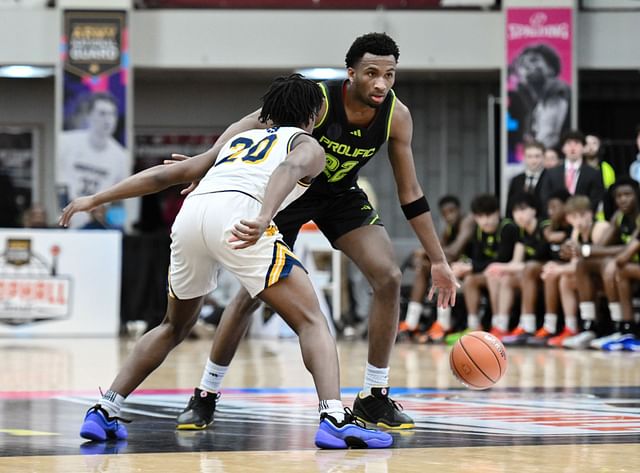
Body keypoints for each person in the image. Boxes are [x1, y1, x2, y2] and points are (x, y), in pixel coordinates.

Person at [59, 74, 393, 449]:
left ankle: (105, 408)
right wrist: (266, 216)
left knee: (172, 326)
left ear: (266, 113)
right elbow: (287, 170)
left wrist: (95, 199)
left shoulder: (237, 141)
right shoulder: (308, 145)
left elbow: (169, 174)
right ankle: (334, 417)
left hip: (190, 219)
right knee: (312, 320)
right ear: (316, 114)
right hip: (238, 218)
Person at [173, 33, 458, 431]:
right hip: (288, 195)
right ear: (351, 73)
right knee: (249, 296)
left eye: (389, 75)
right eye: (371, 73)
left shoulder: (397, 115)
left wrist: (439, 261)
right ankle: (205, 394)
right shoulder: (317, 100)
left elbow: (410, 193)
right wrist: (207, 165)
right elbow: (246, 124)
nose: (381, 83)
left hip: (340, 197)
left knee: (389, 276)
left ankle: (373, 397)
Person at [399, 195, 473, 343]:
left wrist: (425, 252)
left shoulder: (468, 221)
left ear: (459, 210)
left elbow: (452, 252)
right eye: (445, 214)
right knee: (424, 268)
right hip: (456, 268)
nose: (449, 216)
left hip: (472, 268)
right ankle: (411, 322)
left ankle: (443, 325)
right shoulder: (449, 228)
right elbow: (439, 251)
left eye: (452, 211)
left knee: (441, 271)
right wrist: (425, 255)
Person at [57, 92, 130, 228]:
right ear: (89, 116)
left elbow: (121, 198)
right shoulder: (66, 142)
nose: (108, 120)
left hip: (102, 222)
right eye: (102, 113)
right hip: (68, 217)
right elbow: (59, 183)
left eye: (112, 114)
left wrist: (112, 220)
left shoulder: (121, 156)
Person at [507, 43, 570, 155]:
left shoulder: (557, 92)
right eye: (522, 63)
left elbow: (548, 137)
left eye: (534, 60)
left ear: (551, 68)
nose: (527, 66)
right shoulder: (533, 102)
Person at [539, 130, 605, 213]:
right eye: (569, 143)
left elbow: (595, 199)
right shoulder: (551, 173)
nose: (572, 147)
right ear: (563, 148)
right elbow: (545, 197)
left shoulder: (594, 173)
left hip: (582, 218)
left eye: (577, 143)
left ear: (583, 148)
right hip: (557, 218)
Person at [505, 141, 547, 218]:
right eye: (529, 156)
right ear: (524, 157)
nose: (533, 160)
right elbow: (510, 206)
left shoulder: (550, 177)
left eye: (537, 156)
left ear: (543, 157)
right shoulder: (516, 180)